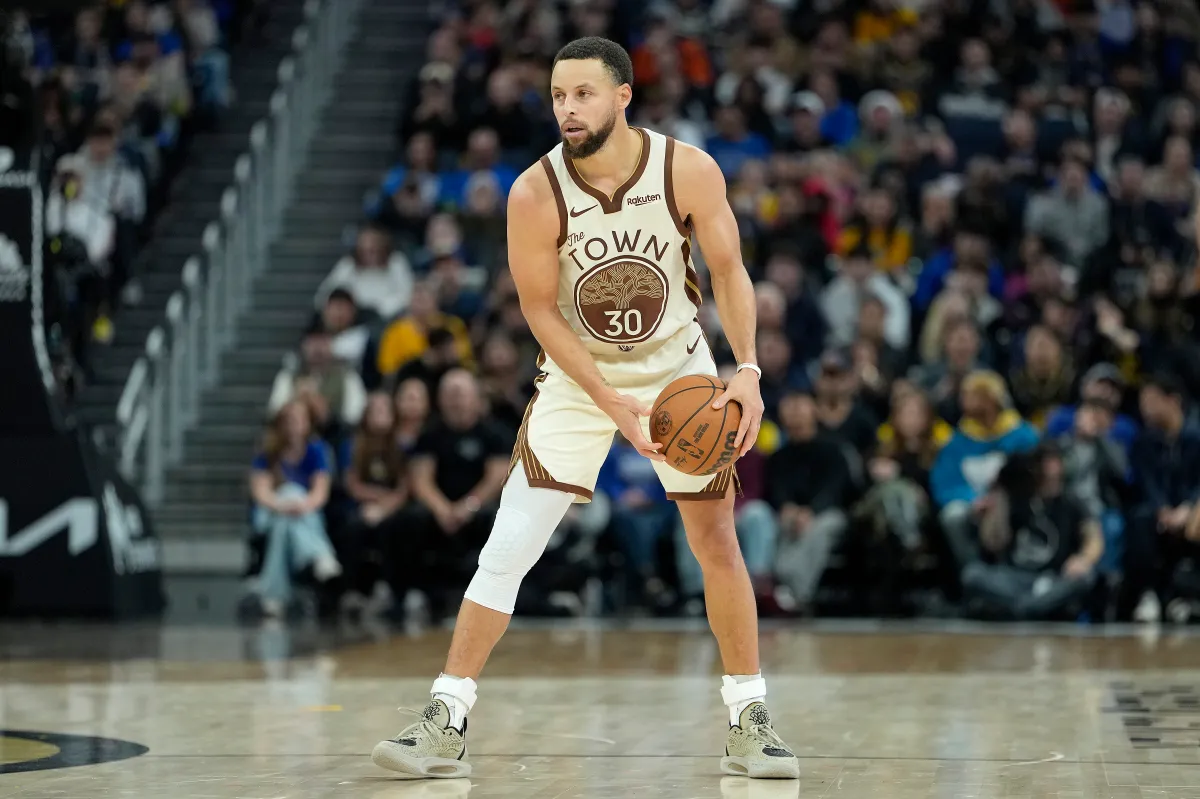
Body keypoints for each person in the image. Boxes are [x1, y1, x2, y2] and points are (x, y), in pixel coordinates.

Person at [372, 37, 798, 782]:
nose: (567, 109)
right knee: (510, 542)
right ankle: (446, 716)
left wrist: (750, 369)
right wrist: (604, 396)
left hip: (676, 368)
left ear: (623, 96)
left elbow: (730, 270)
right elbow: (540, 310)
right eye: (558, 96)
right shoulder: (533, 192)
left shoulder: (687, 169)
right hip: (579, 377)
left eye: (583, 94)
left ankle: (749, 720)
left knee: (717, 541)